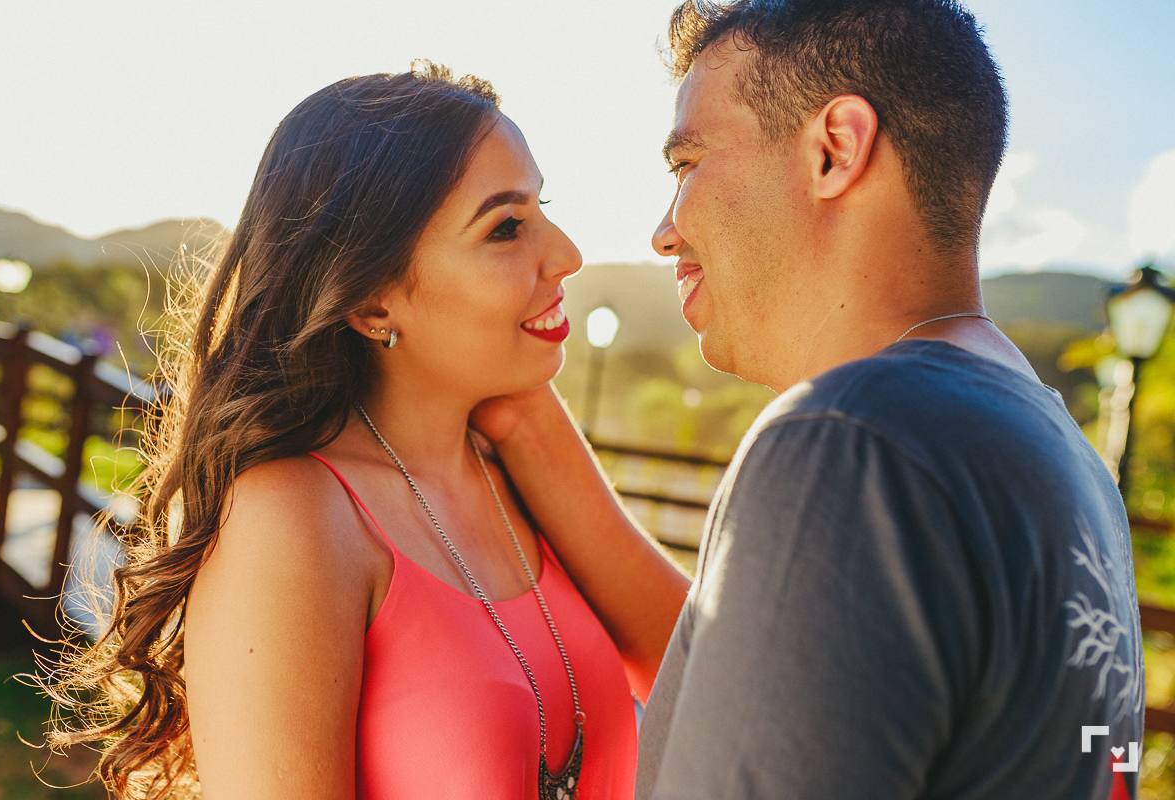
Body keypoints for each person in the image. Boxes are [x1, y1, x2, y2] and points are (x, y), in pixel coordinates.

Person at [472, 1, 1144, 798]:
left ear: (835, 150)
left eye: (685, 166)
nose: (663, 231)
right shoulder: (1059, 457)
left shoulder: (852, 439)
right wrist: (524, 419)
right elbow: (776, 685)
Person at [47, 63, 686, 800]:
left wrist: (536, 425)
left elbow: (708, 679)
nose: (568, 254)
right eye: (505, 226)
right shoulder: (296, 515)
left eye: (542, 207)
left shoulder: (517, 470)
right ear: (372, 302)